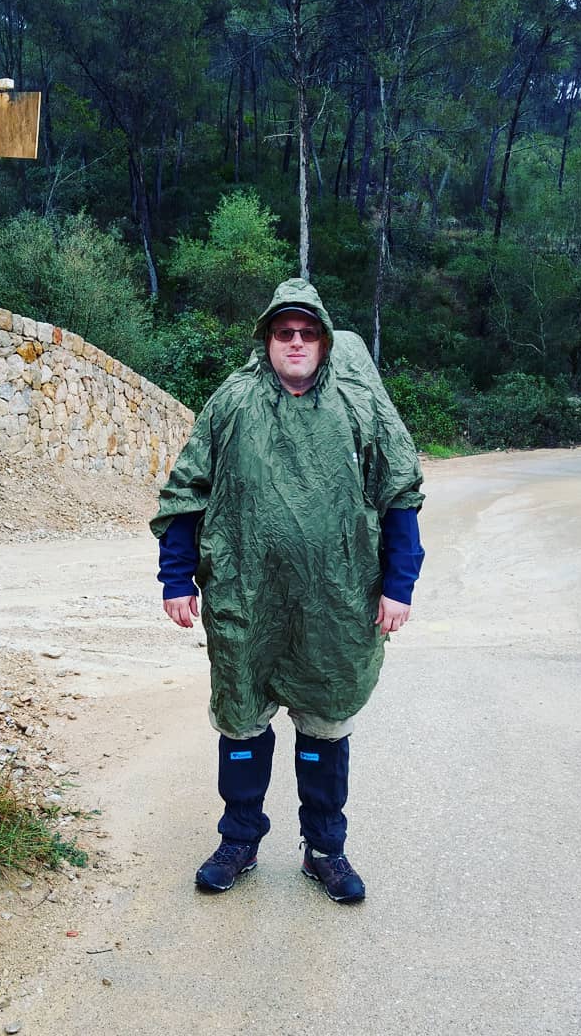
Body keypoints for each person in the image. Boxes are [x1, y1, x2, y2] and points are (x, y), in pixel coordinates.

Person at [151, 278, 424, 903]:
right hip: (246, 597)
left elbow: (399, 496)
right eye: (284, 332)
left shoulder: (359, 407)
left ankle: (325, 847)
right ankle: (239, 838)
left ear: (323, 341)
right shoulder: (233, 403)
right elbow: (186, 491)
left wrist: (399, 584)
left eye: (307, 333)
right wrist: (175, 576)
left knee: (325, 721)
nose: (295, 342)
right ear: (267, 339)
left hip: (337, 598)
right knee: (242, 719)